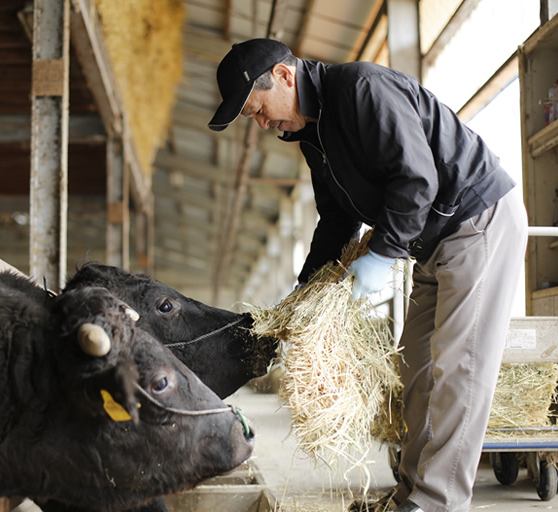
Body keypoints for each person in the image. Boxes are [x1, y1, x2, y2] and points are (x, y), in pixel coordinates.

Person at [208, 38, 528, 512]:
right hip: (431, 245)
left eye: (258, 110)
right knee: (415, 370)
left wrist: (382, 254)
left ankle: (438, 501)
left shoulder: (361, 89)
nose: (263, 123)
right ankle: (410, 493)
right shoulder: (313, 136)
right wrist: (304, 293)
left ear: (284, 75)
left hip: (475, 222)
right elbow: (336, 218)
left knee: (460, 366)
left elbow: (417, 177)